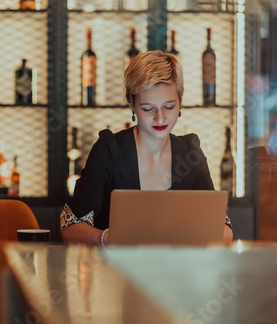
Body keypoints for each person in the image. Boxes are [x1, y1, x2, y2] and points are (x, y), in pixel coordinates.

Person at [60, 50, 233, 245]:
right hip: (115, 272)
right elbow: (70, 228)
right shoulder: (109, 150)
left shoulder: (190, 153)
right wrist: (110, 238)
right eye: (148, 108)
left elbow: (224, 229)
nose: (160, 118)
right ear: (131, 103)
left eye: (169, 107)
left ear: (181, 101)